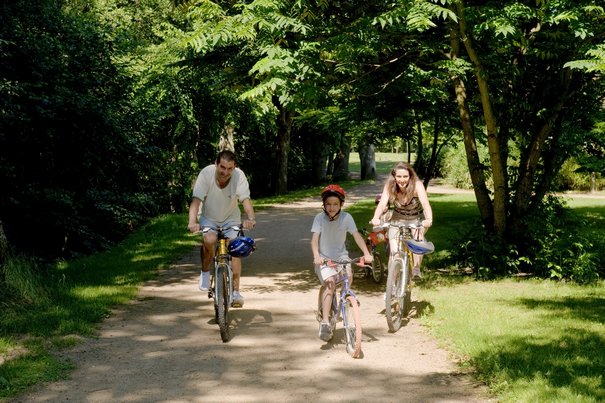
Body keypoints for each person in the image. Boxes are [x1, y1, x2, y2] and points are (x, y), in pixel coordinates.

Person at [187, 150, 256, 308]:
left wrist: (251, 219)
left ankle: (235, 292)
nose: (225, 172)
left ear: (234, 167)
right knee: (209, 240)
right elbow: (196, 201)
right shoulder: (206, 174)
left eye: (230, 168)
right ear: (216, 164)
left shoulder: (239, 176)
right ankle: (205, 272)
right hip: (209, 219)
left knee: (235, 247)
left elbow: (245, 200)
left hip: (231, 218)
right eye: (222, 167)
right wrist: (192, 222)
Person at [311, 184, 373, 342]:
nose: (332, 207)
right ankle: (325, 322)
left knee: (348, 278)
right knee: (330, 283)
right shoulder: (319, 218)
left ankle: (344, 301)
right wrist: (317, 256)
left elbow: (356, 236)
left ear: (341, 205)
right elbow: (314, 240)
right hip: (324, 258)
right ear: (324, 205)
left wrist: (366, 253)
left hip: (342, 256)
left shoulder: (347, 218)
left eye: (335, 204)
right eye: (328, 204)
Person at [370, 162, 433, 280]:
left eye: (405, 176)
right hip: (397, 219)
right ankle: (392, 285)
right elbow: (383, 203)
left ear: (410, 176)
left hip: (417, 219)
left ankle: (416, 270)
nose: (402, 180)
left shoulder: (417, 185)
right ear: (394, 176)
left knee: (417, 241)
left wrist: (428, 219)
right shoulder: (390, 185)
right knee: (394, 253)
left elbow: (425, 203)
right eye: (399, 176)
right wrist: (376, 217)